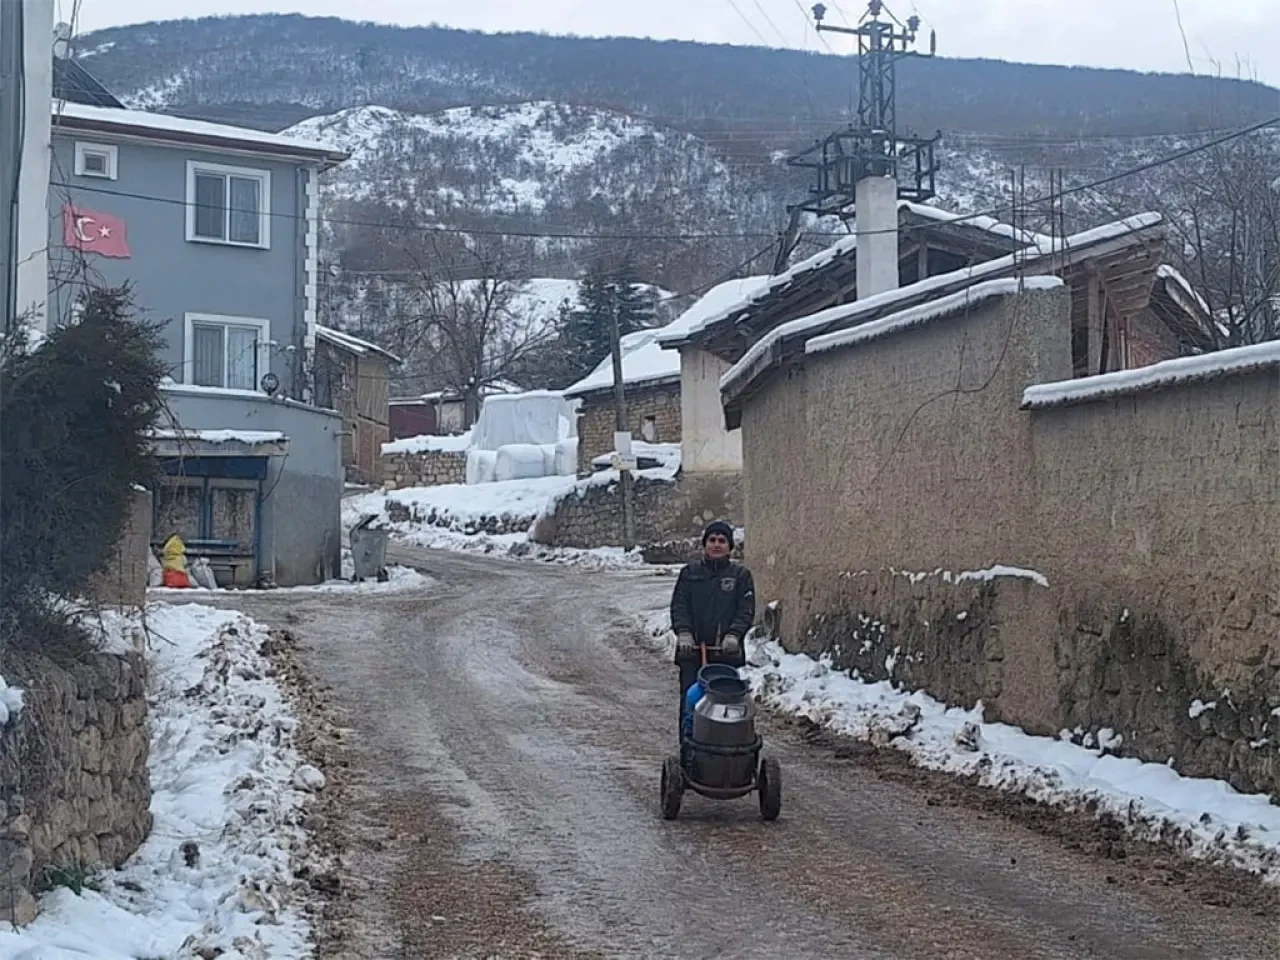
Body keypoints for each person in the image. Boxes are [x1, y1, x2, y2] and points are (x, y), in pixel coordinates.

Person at [670, 520, 756, 731]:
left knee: (727, 704)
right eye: (712, 540)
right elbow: (679, 606)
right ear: (705, 544)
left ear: (729, 547)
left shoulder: (740, 576)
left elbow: (746, 610)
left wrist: (734, 635)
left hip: (726, 654)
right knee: (692, 700)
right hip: (693, 653)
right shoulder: (690, 574)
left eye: (722, 540)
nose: (717, 544)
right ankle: (689, 749)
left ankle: (728, 748)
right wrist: (684, 633)